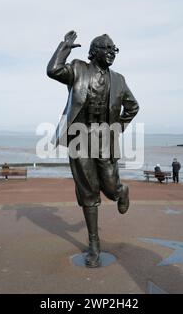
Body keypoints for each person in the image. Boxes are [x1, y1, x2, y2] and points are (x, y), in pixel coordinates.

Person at [47, 31, 139, 268]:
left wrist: (117, 128)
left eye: (114, 49)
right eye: (106, 48)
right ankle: (94, 245)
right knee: (88, 192)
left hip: (105, 139)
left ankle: (121, 191)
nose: (111, 52)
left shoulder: (118, 79)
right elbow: (53, 70)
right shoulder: (78, 69)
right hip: (80, 136)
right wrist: (64, 47)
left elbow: (133, 106)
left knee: (109, 186)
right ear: (94, 51)